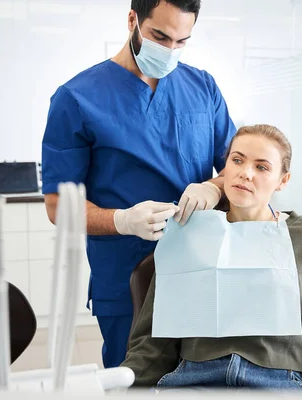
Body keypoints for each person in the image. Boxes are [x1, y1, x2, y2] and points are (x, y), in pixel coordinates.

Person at [40, 0, 236, 369]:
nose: (170, 50)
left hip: (202, 269)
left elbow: (236, 169)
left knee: (202, 381)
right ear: (132, 19)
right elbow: (57, 206)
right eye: (160, 36)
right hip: (125, 280)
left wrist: (214, 186)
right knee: (133, 380)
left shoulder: (202, 87)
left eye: (181, 41)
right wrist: (122, 220)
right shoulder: (76, 98)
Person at [121, 125, 302, 394]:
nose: (246, 173)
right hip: (193, 381)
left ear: (283, 180)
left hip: (276, 384)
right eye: (237, 160)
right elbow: (154, 341)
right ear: (224, 168)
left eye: (262, 167)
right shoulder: (187, 234)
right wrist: (122, 389)